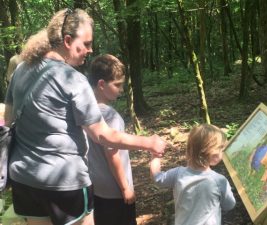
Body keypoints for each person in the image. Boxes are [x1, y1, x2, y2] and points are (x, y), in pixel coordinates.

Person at [4, 8, 166, 225]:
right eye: (87, 44)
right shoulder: (73, 79)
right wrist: (149, 142)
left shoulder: (22, 69)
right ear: (68, 40)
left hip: (25, 180)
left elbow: (8, 118)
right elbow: (103, 135)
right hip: (65, 185)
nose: (90, 50)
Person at [150, 124, 236, 225]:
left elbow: (157, 178)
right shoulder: (219, 181)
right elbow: (229, 205)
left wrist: (155, 155)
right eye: (221, 149)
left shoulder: (178, 174)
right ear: (213, 155)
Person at [88, 54, 137, 225]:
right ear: (101, 84)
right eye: (117, 85)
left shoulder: (85, 110)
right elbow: (112, 154)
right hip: (115, 191)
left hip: (96, 189)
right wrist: (125, 188)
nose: (121, 90)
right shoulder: (109, 115)